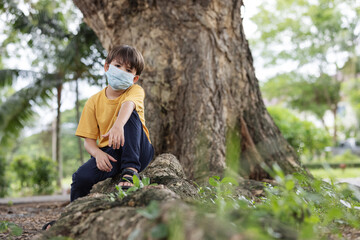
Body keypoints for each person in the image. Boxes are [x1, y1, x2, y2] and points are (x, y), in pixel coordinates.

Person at [42, 44, 154, 230]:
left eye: (128, 70)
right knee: (80, 178)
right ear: (106, 66)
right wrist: (98, 154)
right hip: (111, 153)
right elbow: (89, 141)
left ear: (134, 78)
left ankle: (130, 170)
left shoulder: (135, 91)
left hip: (138, 149)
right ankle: (71, 218)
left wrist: (118, 125)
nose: (121, 71)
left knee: (131, 113)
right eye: (117, 66)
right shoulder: (93, 101)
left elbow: (128, 106)